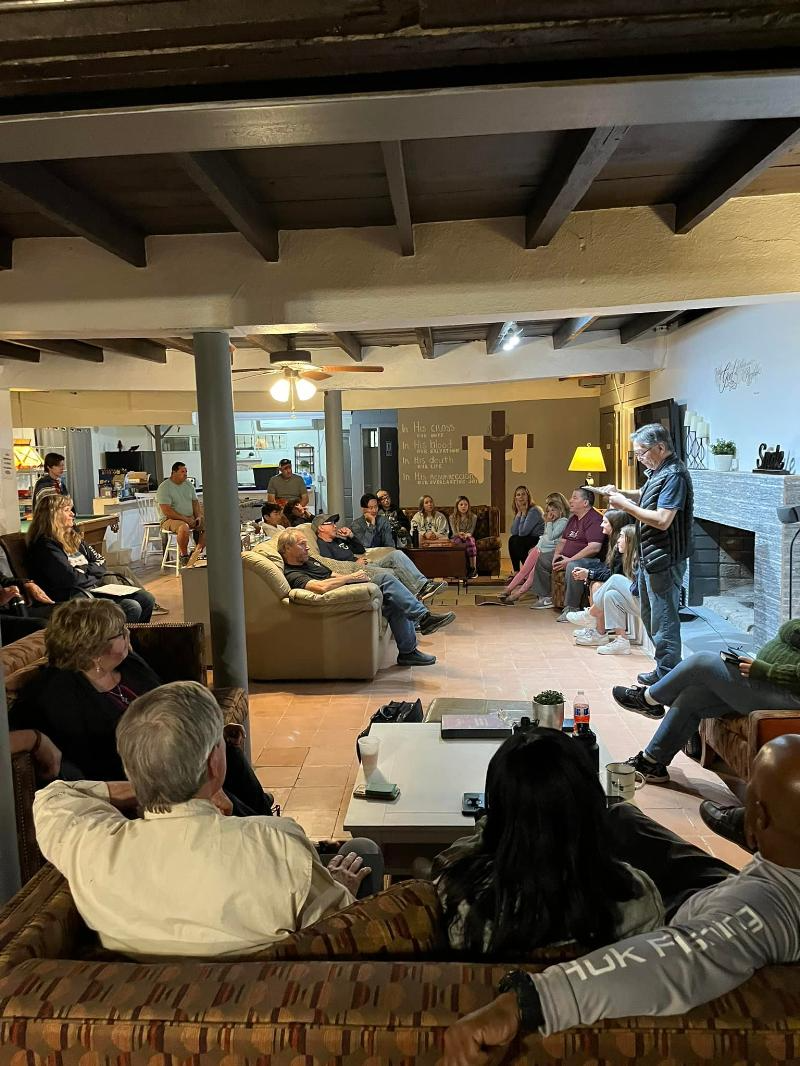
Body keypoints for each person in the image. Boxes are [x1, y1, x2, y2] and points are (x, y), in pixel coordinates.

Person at [442, 734, 800, 1064]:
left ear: (760, 817)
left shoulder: (760, 910)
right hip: (688, 899)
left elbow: (679, 958)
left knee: (628, 822)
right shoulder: (641, 894)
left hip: (696, 911)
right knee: (626, 820)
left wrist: (528, 1000)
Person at [32, 679, 384, 957]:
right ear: (215, 763)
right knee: (363, 850)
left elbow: (53, 796)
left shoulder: (90, 847)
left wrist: (149, 783)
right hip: (268, 1000)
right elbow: (340, 931)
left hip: (160, 998)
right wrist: (342, 889)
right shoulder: (278, 844)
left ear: (130, 768)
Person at [10, 598, 270, 815]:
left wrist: (207, 730)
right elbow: (89, 765)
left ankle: (265, 817)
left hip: (175, 753)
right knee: (211, 785)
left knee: (227, 751)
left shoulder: (128, 664)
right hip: (141, 775)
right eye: (120, 633)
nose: (128, 634)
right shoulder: (57, 694)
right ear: (94, 650)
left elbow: (170, 704)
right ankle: (259, 831)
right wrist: (36, 739)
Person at [434, 727, 663, 957]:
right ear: (592, 803)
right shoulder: (637, 896)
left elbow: (450, 862)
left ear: (499, 813)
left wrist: (488, 829)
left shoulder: (457, 898)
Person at [613, 616, 800, 783]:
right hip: (767, 682)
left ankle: (648, 699)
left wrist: (766, 670)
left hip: (788, 696)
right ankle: (652, 763)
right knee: (693, 697)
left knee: (703, 662)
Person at [597, 422, 693, 685]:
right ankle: (664, 669)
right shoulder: (660, 472)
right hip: (650, 556)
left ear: (660, 448)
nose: (639, 458)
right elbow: (644, 495)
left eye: (641, 453)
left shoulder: (674, 476)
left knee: (664, 620)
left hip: (665, 557)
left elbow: (663, 519)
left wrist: (625, 505)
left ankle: (668, 675)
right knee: (651, 617)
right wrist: (620, 493)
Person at [277, 529, 454, 666]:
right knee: (385, 578)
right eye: (302, 544)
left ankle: (408, 653)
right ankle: (423, 617)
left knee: (394, 600)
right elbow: (320, 587)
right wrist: (350, 578)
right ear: (287, 549)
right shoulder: (293, 573)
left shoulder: (308, 560)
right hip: (344, 596)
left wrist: (357, 577)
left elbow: (332, 574)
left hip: (351, 586)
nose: (307, 547)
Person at [26, 495, 155, 622]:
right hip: (72, 598)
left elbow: (101, 561)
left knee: (146, 599)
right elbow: (72, 579)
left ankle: (137, 636)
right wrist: (94, 575)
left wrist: (84, 571)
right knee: (131, 607)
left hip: (90, 590)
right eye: (66, 510)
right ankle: (116, 636)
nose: (72, 514)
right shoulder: (45, 546)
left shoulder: (74, 538)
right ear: (53, 516)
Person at [312, 512, 445, 600]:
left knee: (397, 554)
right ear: (321, 528)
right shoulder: (323, 546)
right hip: (358, 570)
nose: (335, 526)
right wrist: (354, 564)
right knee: (393, 573)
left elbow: (360, 549)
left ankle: (423, 586)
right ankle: (415, 612)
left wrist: (351, 536)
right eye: (331, 524)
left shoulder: (338, 540)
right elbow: (333, 567)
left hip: (368, 563)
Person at [529, 488, 604, 612]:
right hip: (567, 557)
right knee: (543, 559)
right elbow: (563, 541)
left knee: (572, 566)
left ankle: (572, 608)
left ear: (585, 503)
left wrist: (569, 560)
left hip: (588, 560)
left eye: (575, 498)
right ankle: (546, 597)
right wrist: (557, 554)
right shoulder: (573, 518)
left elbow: (594, 548)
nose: (570, 501)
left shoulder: (594, 519)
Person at [572, 524, 640, 655]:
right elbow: (608, 571)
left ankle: (591, 614)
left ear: (630, 540)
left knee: (615, 579)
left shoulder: (639, 560)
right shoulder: (621, 554)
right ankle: (621, 642)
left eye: (621, 537)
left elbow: (637, 589)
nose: (618, 540)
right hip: (636, 601)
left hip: (645, 604)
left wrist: (589, 574)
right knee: (611, 595)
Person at [493, 494, 568, 605]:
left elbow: (552, 536)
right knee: (524, 570)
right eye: (548, 509)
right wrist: (548, 523)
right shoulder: (551, 520)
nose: (550, 512)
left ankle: (517, 594)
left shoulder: (563, 521)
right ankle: (508, 589)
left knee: (533, 574)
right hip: (539, 547)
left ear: (560, 508)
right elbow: (545, 535)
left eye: (553, 509)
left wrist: (548, 522)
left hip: (547, 552)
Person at [557, 508, 627, 622]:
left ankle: (589, 615)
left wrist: (590, 573)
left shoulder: (621, 544)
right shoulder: (612, 539)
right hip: (607, 570)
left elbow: (614, 573)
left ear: (614, 524)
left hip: (618, 577)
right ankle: (595, 625)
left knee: (595, 583)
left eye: (605, 522)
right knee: (594, 582)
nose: (601, 525)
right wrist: (590, 574)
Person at [0, 542, 54, 644]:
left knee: (66, 611)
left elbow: (4, 580)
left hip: (12, 607)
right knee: (41, 626)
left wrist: (27, 583)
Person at [155, 461, 206, 568]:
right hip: (170, 519)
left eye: (186, 471)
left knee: (210, 523)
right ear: (174, 472)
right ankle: (184, 555)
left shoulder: (188, 485)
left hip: (189, 517)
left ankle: (197, 552)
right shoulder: (164, 487)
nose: (185, 474)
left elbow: (195, 503)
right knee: (184, 527)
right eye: (182, 471)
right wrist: (185, 519)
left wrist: (198, 516)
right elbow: (167, 511)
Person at [507, 486, 544, 573]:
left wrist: (523, 514)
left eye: (523, 494)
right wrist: (519, 513)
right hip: (529, 538)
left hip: (539, 539)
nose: (521, 497)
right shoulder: (522, 510)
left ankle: (527, 571)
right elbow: (514, 532)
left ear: (528, 496)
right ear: (515, 498)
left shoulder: (534, 510)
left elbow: (523, 533)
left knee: (517, 541)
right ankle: (516, 571)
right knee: (512, 539)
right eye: (518, 495)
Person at [449, 496, 478, 579]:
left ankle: (473, 569)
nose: (463, 506)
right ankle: (458, 570)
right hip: (456, 536)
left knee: (470, 542)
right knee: (457, 542)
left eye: (465, 504)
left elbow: (471, 531)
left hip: (468, 536)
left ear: (468, 506)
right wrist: (459, 534)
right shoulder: (452, 517)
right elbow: (454, 532)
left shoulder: (473, 517)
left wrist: (466, 535)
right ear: (457, 506)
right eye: (461, 504)